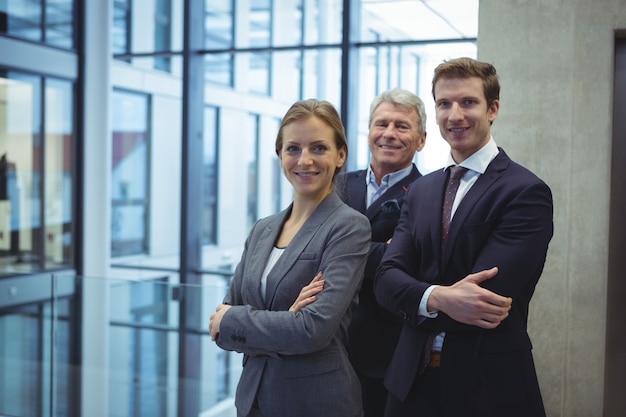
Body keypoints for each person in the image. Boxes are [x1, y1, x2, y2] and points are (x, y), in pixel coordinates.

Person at [373, 57, 553, 417]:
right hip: (409, 385)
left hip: (486, 385)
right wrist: (439, 296)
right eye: (444, 104)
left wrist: (416, 295)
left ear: (493, 109)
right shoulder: (421, 190)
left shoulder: (525, 191)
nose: (455, 115)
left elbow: (484, 301)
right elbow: (384, 282)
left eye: (468, 102)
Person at [209, 98, 371, 417]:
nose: (305, 160)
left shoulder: (349, 227)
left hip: (316, 403)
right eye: (293, 149)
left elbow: (311, 330)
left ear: (341, 155)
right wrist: (286, 321)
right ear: (280, 155)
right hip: (252, 400)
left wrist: (239, 320)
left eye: (319, 148)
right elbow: (220, 329)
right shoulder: (262, 230)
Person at [338, 88, 426, 417]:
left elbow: (407, 263)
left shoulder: (429, 194)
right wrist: (378, 252)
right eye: (381, 124)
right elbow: (308, 248)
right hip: (327, 342)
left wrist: (337, 250)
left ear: (421, 140)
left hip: (384, 351)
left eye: (401, 126)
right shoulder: (336, 185)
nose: (389, 133)